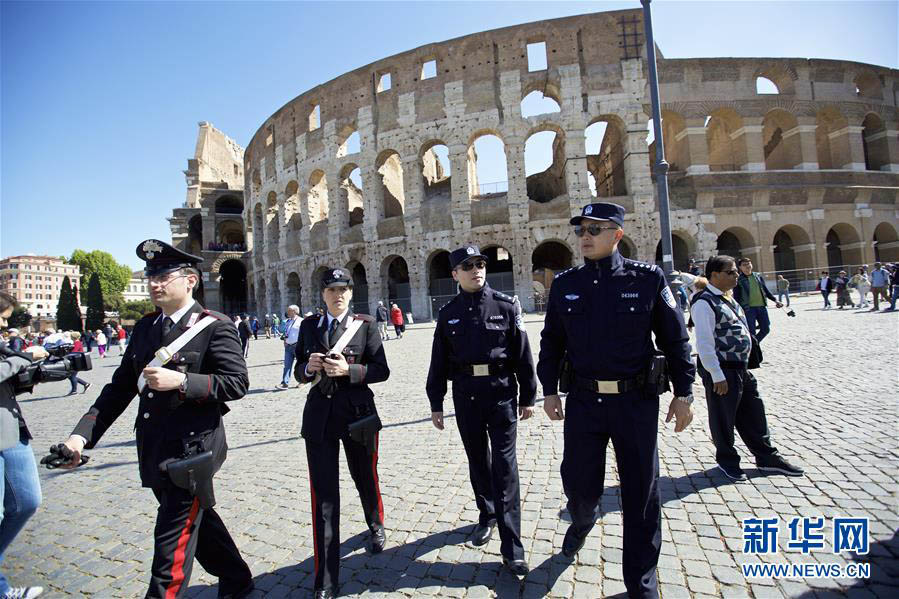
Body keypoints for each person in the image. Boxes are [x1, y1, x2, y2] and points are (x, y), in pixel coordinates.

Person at [52, 240, 253, 599]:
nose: (154, 284)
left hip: (193, 449)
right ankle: (237, 577)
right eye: (151, 277)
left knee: (171, 543)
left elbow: (237, 383)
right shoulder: (146, 327)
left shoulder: (213, 326)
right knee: (197, 519)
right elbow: (119, 388)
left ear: (190, 280)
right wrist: (80, 438)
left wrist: (185, 381)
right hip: (154, 446)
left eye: (163, 276)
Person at [537, 202, 695, 598]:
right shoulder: (566, 283)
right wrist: (549, 389)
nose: (585, 236)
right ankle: (583, 518)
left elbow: (675, 339)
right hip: (585, 403)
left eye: (596, 228)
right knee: (579, 483)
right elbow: (551, 341)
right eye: (581, 230)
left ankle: (641, 582)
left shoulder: (647, 278)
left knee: (641, 493)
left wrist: (684, 393)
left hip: (635, 402)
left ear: (617, 235)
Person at [426, 244, 537, 577]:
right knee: (478, 461)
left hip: (501, 395)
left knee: (505, 468)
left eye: (480, 264)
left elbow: (523, 354)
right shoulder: (448, 314)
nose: (476, 269)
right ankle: (486, 514)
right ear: (455, 274)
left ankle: (512, 547)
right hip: (467, 397)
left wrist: (529, 396)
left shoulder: (504, 306)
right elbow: (438, 361)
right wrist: (436, 402)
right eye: (468, 265)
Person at [293, 268, 390, 599]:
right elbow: (298, 370)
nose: (338, 295)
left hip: (357, 414)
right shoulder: (309, 327)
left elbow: (381, 370)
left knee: (365, 475)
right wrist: (308, 368)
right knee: (324, 498)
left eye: (343, 289)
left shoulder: (365, 325)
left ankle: (375, 523)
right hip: (319, 417)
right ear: (323, 295)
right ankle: (326, 580)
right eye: (332, 290)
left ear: (351, 293)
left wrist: (350, 370)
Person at [691, 256, 804, 481]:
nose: (736, 276)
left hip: (741, 369)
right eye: (730, 272)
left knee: (754, 412)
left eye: (735, 272)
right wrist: (716, 375)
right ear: (714, 275)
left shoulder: (728, 299)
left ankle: (766, 456)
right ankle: (727, 461)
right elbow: (704, 343)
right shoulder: (704, 302)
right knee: (723, 418)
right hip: (723, 370)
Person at [1, 291, 48, 599]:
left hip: (12, 430)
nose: (3, 325)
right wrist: (23, 358)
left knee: (27, 501)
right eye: (2, 318)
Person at [733, 258, 781, 343]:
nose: (747, 266)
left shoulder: (757, 276)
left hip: (762, 307)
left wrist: (775, 300)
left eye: (749, 263)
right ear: (740, 267)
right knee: (752, 332)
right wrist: (737, 310)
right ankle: (753, 349)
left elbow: (765, 290)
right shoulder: (739, 280)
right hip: (748, 309)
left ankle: (754, 346)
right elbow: (736, 296)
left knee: (766, 329)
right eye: (744, 265)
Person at [278, 305, 301, 389]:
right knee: (287, 365)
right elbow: (286, 332)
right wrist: (285, 341)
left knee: (299, 364)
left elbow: (304, 334)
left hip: (297, 346)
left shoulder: (301, 321)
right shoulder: (288, 321)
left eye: (289, 310)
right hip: (288, 346)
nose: (287, 312)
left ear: (294, 311)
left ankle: (302, 381)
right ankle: (284, 383)